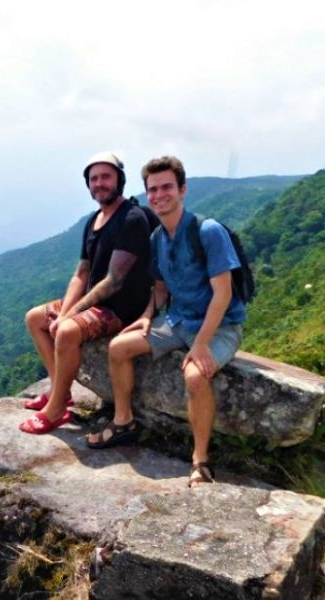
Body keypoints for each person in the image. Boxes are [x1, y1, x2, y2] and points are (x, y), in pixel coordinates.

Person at [89, 155, 245, 487]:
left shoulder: (208, 231)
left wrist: (201, 344)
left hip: (220, 326)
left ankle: (200, 459)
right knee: (118, 347)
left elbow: (223, 294)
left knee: (194, 375)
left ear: (182, 190)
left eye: (167, 187)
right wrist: (147, 317)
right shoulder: (158, 238)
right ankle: (123, 421)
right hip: (177, 321)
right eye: (153, 190)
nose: (159, 195)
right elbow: (159, 287)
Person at [19, 152, 153, 434]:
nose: (99, 184)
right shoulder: (94, 220)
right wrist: (65, 311)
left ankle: (55, 410)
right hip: (95, 301)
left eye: (106, 177)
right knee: (35, 318)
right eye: (94, 179)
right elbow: (81, 274)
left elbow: (114, 281)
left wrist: (68, 316)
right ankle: (60, 390)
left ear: (120, 180)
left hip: (120, 307)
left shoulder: (131, 219)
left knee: (67, 331)